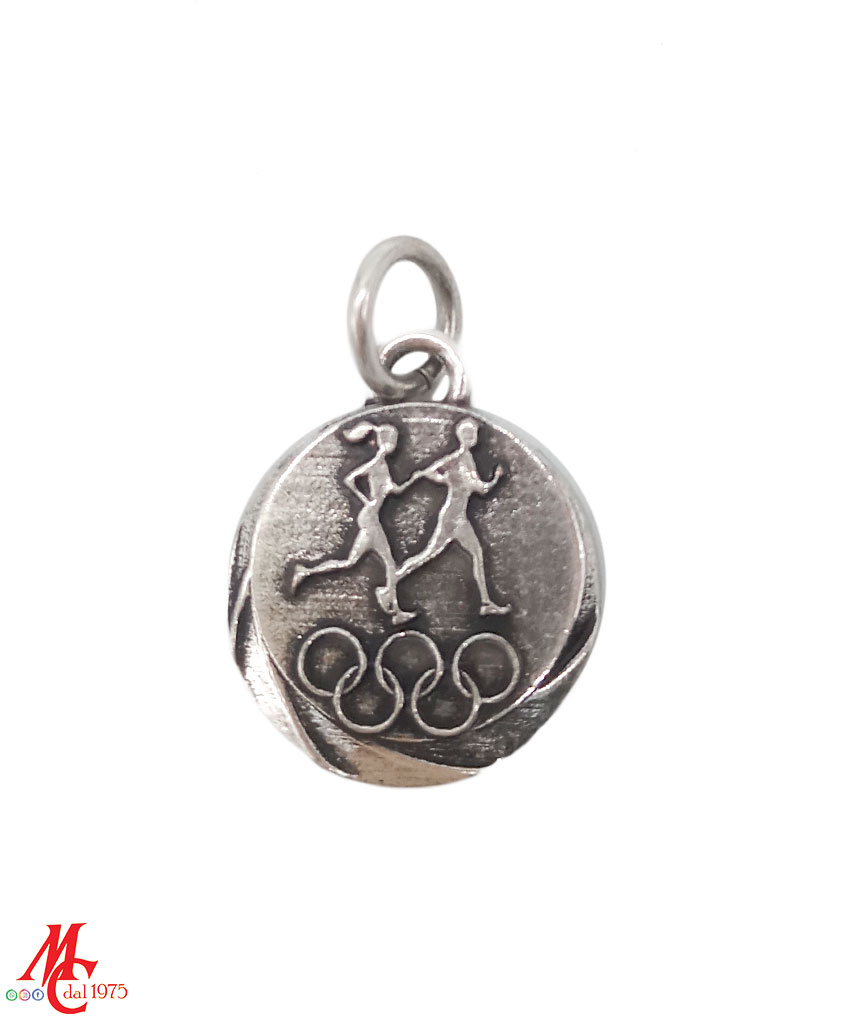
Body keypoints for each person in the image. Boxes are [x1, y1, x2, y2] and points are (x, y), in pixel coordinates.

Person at [291, 422, 415, 624]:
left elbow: (394, 490)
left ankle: (305, 572)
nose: (394, 445)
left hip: (371, 517)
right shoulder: (377, 463)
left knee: (351, 562)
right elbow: (350, 479)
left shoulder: (383, 465)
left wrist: (413, 480)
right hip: (371, 517)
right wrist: (366, 500)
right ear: (385, 442)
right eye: (392, 441)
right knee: (390, 565)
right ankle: (393, 608)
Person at [395, 418, 511, 615]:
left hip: (459, 517)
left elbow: (477, 488)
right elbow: (435, 472)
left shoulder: (466, 459)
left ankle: (486, 603)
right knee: (427, 555)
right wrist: (441, 477)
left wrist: (493, 479)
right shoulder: (459, 459)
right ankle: (392, 584)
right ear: (461, 437)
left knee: (475, 554)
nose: (472, 437)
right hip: (452, 518)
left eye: (473, 434)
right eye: (468, 434)